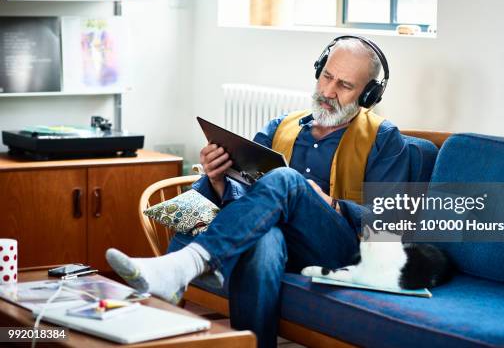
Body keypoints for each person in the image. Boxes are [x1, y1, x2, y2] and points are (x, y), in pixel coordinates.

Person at [106, 35, 412, 348]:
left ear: (368, 95)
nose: (328, 91)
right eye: (326, 76)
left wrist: (330, 204)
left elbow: (388, 227)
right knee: (264, 239)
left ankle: (188, 264)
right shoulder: (281, 127)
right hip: (278, 241)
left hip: (337, 249)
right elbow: (247, 198)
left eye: (345, 86)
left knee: (287, 180)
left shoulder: (384, 140)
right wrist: (217, 178)